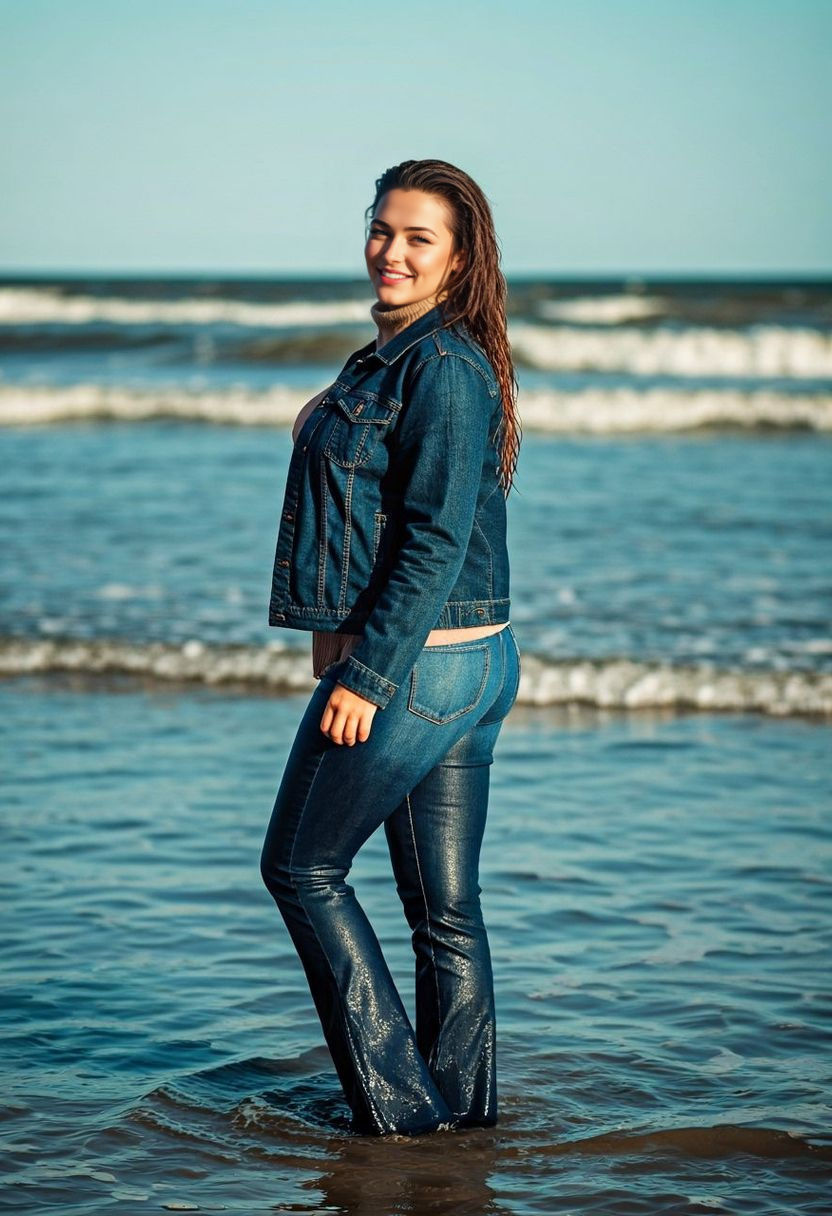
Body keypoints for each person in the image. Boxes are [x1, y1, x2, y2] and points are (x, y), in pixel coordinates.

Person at [260, 158, 522, 1137]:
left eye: (419, 238)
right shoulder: (399, 355)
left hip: (418, 670)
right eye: (383, 229)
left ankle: (402, 1113)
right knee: (443, 911)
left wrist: (366, 673)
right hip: (465, 665)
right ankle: (460, 1119)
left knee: (299, 869)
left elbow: (432, 537)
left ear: (459, 261)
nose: (392, 251)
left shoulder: (441, 368)